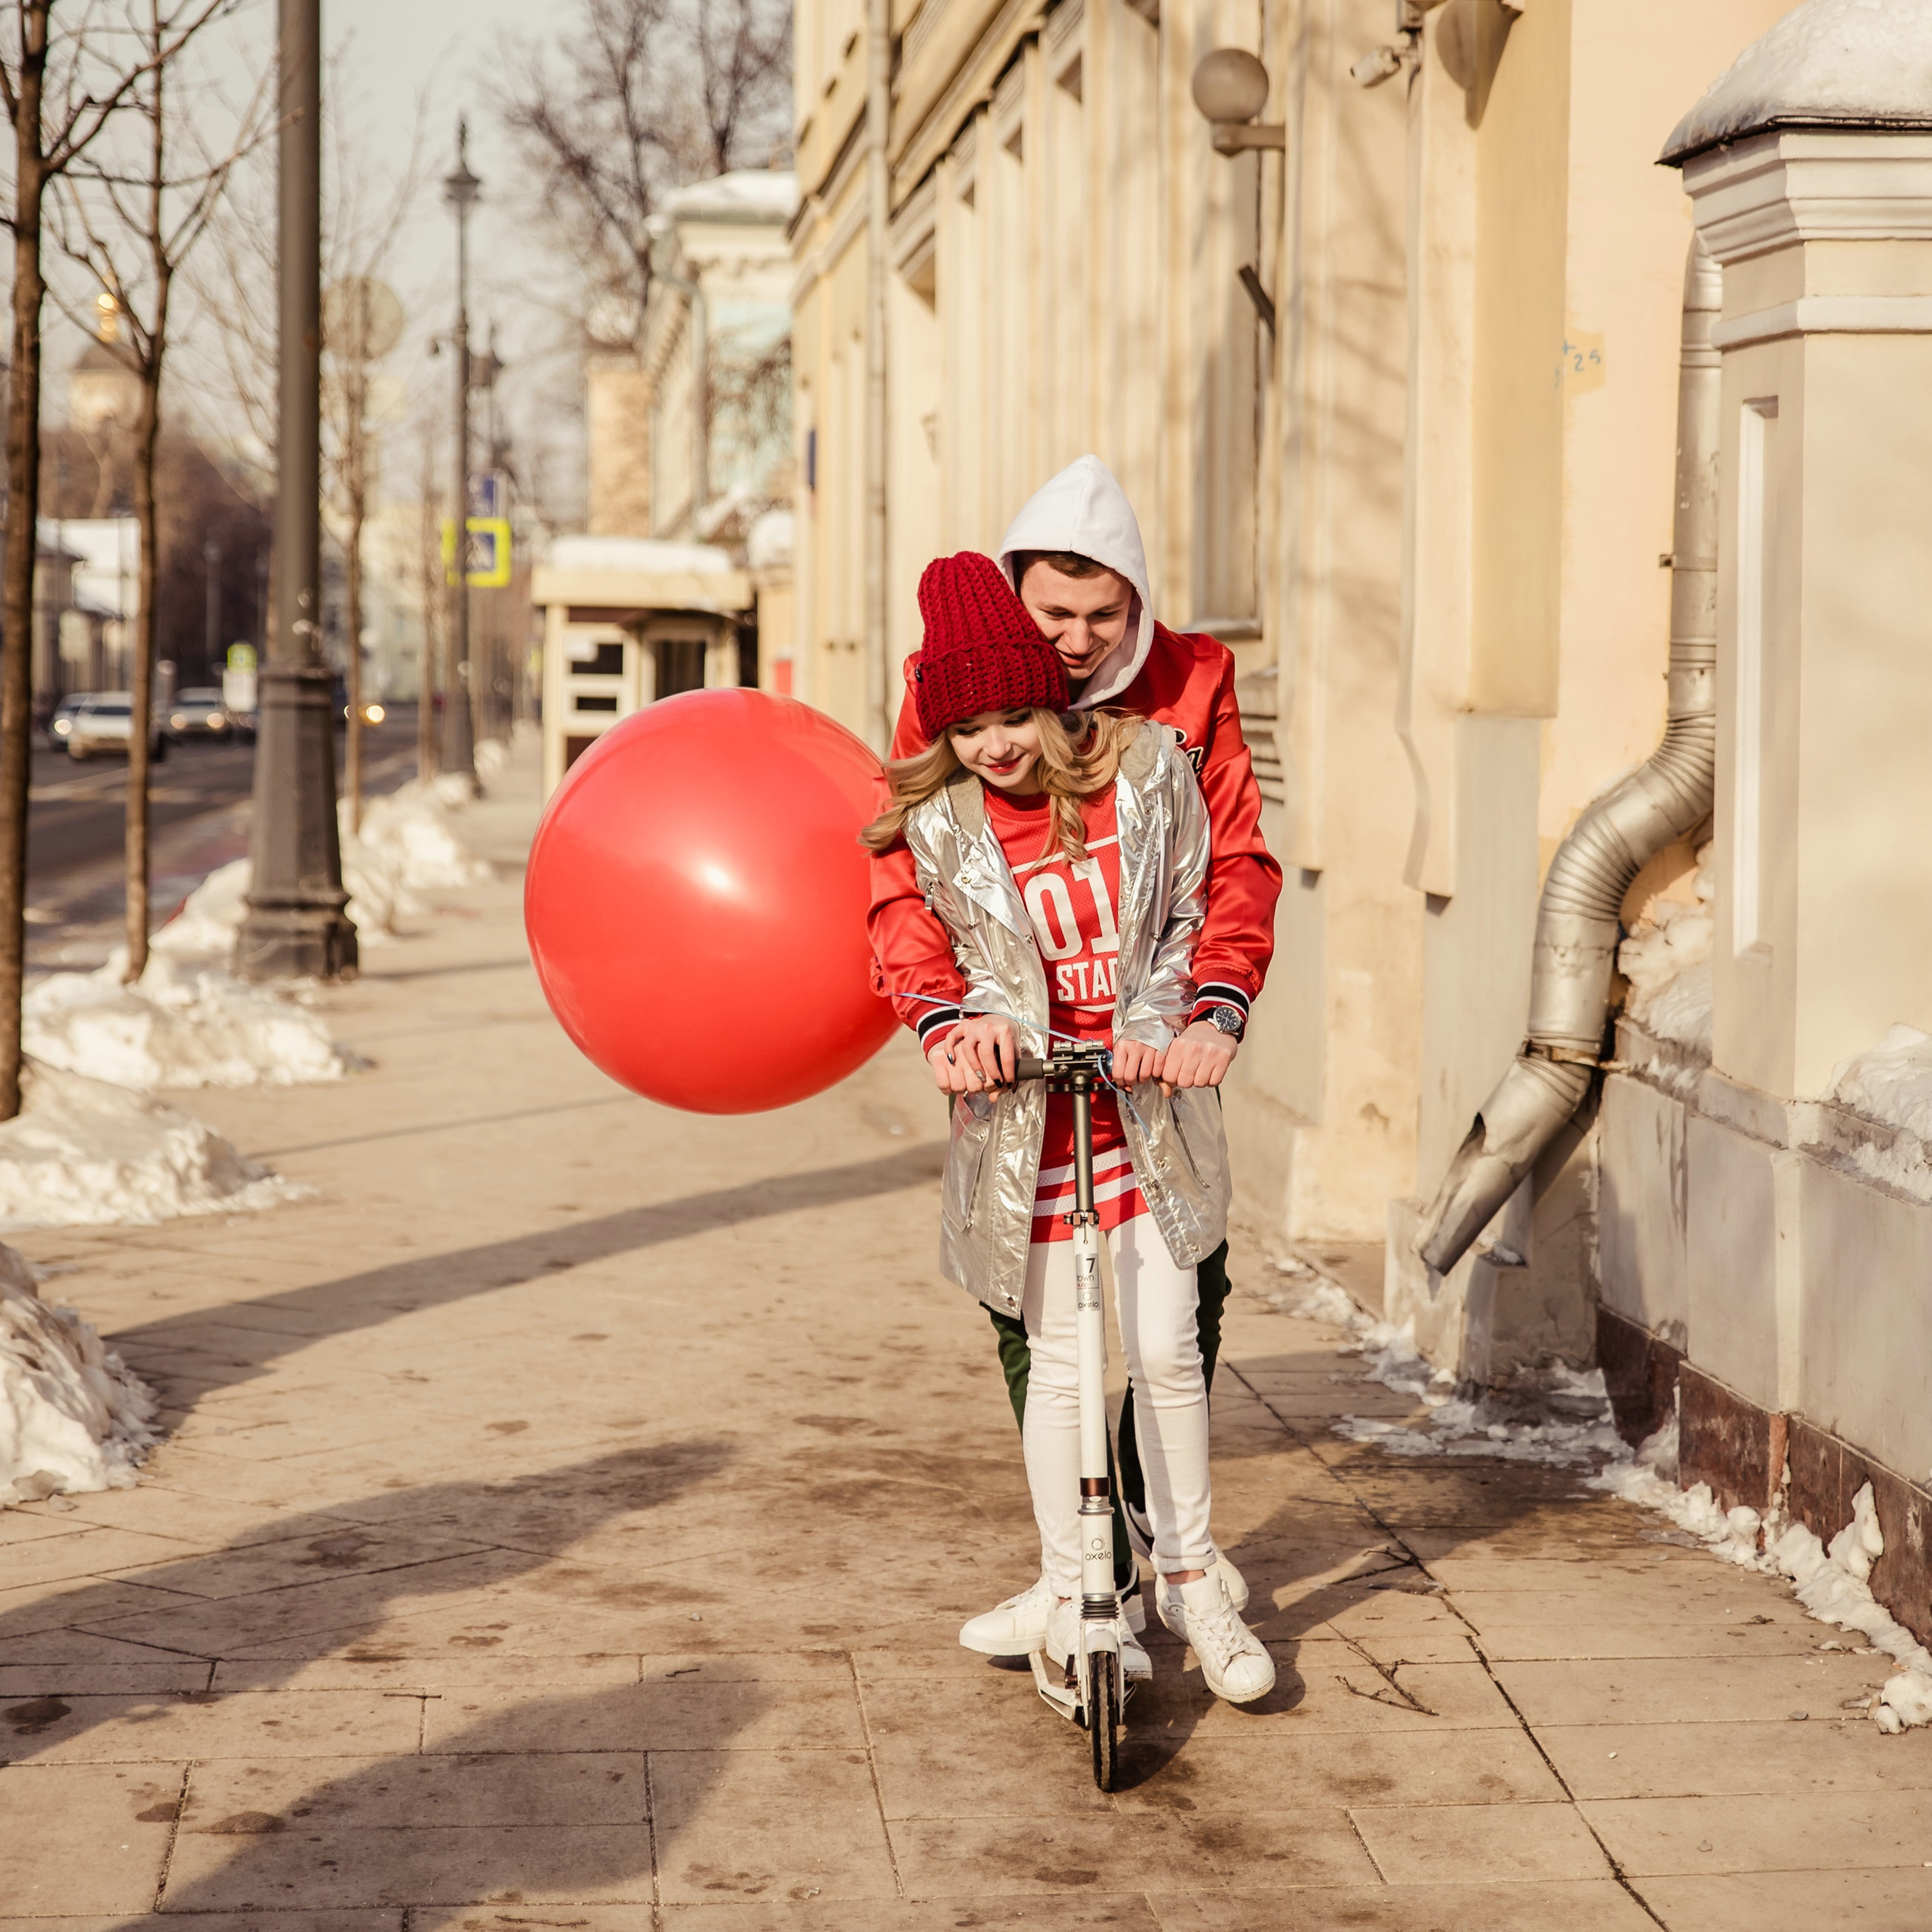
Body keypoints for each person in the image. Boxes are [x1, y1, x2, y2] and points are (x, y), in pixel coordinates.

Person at [866, 549, 1275, 1706]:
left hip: (1139, 1100)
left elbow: (1194, 901)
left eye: (1011, 714)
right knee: (1055, 1364)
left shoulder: (1141, 770)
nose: (994, 744)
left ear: (1052, 698)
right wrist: (953, 1027)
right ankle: (1073, 1587)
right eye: (967, 725)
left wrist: (1180, 1022)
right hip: (1024, 1120)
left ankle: (1192, 1580)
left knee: (1165, 1347)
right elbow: (913, 933)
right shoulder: (939, 820)